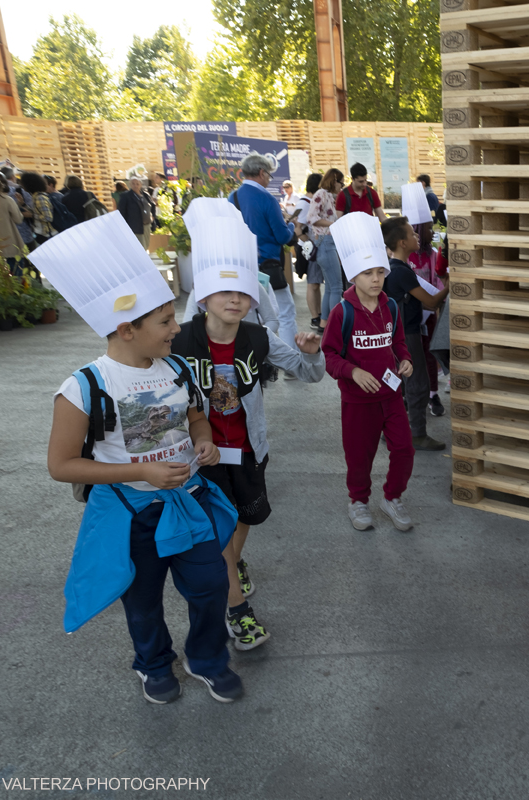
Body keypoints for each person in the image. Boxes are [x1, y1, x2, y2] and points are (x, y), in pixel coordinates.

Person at [34, 212, 243, 705]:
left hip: (187, 503)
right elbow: (61, 465)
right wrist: (141, 471)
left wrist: (203, 439)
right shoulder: (84, 387)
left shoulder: (175, 368)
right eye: (166, 321)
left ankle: (208, 658)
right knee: (143, 599)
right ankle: (152, 663)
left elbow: (195, 416)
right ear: (126, 328)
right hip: (131, 514)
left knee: (210, 584)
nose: (176, 328)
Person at [171, 199, 325, 652]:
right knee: (217, 531)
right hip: (199, 459)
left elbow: (309, 373)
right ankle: (237, 610)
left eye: (242, 293)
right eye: (224, 293)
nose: (235, 300)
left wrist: (311, 349)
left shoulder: (258, 337)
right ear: (202, 297)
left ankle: (233, 563)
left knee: (244, 517)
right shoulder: (179, 340)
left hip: (248, 448)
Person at [320, 212, 416, 532]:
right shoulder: (342, 312)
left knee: (404, 448)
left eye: (379, 272)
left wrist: (405, 359)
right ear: (352, 276)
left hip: (392, 396)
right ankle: (358, 501)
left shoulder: (390, 307)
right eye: (366, 273)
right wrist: (353, 372)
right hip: (358, 402)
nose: (375, 279)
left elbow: (398, 342)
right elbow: (330, 356)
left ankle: (392, 496)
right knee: (359, 456)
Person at [381, 216, 450, 451]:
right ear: (401, 242)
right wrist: (450, 285)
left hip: (397, 332)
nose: (417, 236)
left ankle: (391, 430)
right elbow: (431, 302)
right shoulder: (402, 272)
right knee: (417, 383)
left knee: (400, 383)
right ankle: (418, 434)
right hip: (408, 334)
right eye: (412, 233)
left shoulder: (392, 269)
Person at [229, 154, 299, 354]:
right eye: (268, 174)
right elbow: (282, 236)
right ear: (261, 173)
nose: (269, 179)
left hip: (242, 265)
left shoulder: (232, 197)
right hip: (268, 265)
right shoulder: (267, 199)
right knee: (284, 311)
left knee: (249, 315)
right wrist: (291, 226)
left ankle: (251, 359)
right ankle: (289, 359)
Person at [402, 182, 447, 417]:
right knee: (409, 356)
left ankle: (432, 393)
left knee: (429, 355)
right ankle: (410, 395)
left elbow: (437, 283)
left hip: (429, 316)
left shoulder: (432, 255)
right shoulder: (403, 261)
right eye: (429, 227)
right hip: (410, 317)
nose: (433, 231)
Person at [308, 168, 344, 330]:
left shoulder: (328, 195)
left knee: (330, 287)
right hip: (325, 242)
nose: (341, 186)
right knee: (336, 286)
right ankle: (334, 325)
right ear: (334, 180)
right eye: (340, 182)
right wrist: (334, 224)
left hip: (327, 242)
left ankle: (326, 323)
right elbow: (312, 218)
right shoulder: (321, 193)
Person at [293, 173, 325, 331]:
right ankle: (314, 317)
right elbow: (298, 227)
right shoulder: (305, 203)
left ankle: (317, 315)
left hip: (311, 247)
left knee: (316, 284)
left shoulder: (307, 201)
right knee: (312, 284)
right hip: (311, 250)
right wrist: (310, 244)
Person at [19, 172, 56, 246]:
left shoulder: (40, 198)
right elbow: (37, 211)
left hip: (46, 234)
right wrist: (23, 204)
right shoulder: (36, 196)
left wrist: (32, 215)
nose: (22, 186)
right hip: (43, 234)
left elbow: (47, 217)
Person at [118, 177, 152, 250]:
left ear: (140, 184)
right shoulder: (125, 196)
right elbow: (122, 212)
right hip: (135, 226)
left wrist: (153, 217)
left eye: (137, 184)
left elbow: (152, 206)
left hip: (146, 225)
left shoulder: (145, 195)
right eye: (133, 183)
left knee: (146, 245)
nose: (135, 185)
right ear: (130, 184)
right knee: (139, 247)